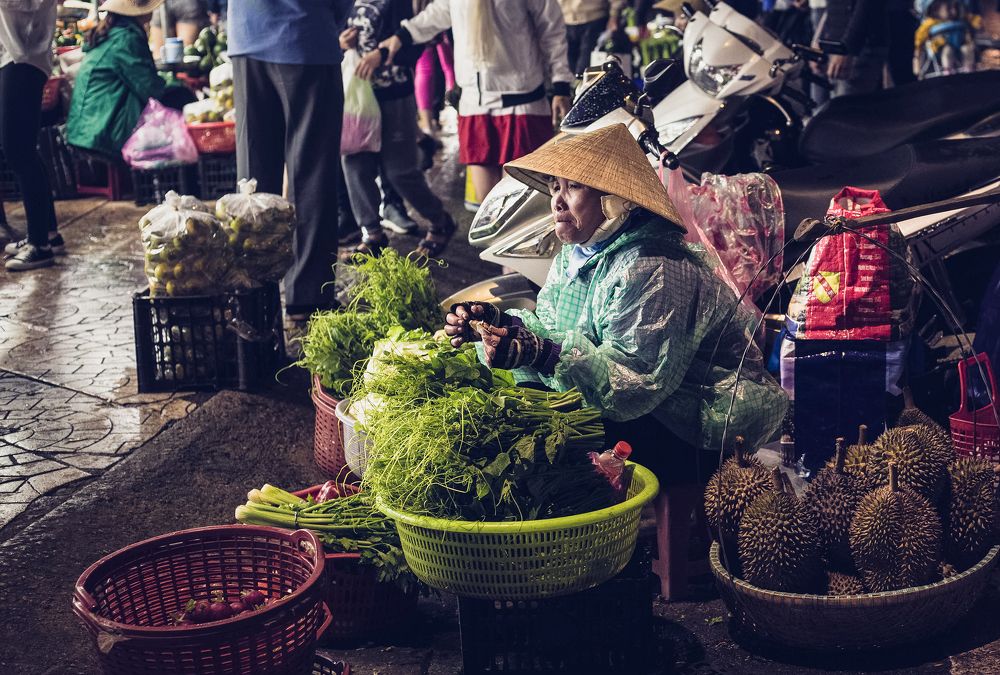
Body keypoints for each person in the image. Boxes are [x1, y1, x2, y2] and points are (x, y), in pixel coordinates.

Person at [444, 124, 787, 488]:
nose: (557, 201)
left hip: (696, 415)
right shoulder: (577, 255)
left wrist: (541, 352)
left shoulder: (652, 266)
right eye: (554, 187)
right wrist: (501, 328)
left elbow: (634, 385)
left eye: (573, 187)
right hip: (640, 401)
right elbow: (550, 324)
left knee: (552, 441)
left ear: (614, 200)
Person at [380, 0, 574, 209]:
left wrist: (560, 84)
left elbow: (551, 29)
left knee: (524, 207)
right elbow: (436, 14)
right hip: (475, 105)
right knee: (488, 208)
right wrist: (400, 37)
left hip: (521, 102)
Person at [228, 0, 349, 321]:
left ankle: (252, 296)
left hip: (246, 35)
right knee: (311, 175)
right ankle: (307, 298)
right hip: (305, 33)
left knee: (252, 179)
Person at [339, 0, 458, 257]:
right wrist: (341, 43)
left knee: (399, 171)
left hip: (394, 95)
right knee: (355, 165)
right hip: (356, 96)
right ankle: (372, 234)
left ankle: (440, 222)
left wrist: (380, 55)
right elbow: (332, 34)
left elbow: (414, 46)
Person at [66, 0, 173, 161]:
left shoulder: (116, 31)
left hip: (85, 132)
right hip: (98, 134)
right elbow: (151, 88)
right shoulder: (126, 38)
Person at [0, 0, 60, 271]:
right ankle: (47, 233)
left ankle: (40, 246)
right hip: (15, 57)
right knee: (25, 149)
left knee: (18, 150)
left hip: (23, 58)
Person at [820, 0, 889, 98]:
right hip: (837, 46)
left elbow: (868, 4)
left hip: (859, 49)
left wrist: (848, 48)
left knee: (846, 110)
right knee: (836, 109)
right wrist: (820, 37)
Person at [558, 0, 627, 76]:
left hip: (594, 19)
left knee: (585, 70)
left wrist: (614, 15)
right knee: (567, 69)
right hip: (564, 20)